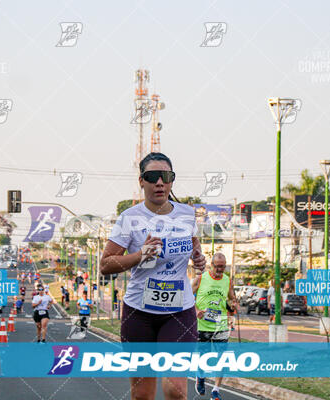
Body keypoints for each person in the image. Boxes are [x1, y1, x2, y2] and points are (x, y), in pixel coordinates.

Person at [100, 152, 206, 400]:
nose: (159, 182)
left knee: (175, 390)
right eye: (152, 177)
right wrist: (140, 255)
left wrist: (198, 257)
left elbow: (193, 243)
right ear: (141, 181)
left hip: (179, 313)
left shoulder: (186, 214)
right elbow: (106, 265)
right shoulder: (130, 218)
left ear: (171, 181)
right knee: (142, 395)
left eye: (165, 176)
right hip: (139, 314)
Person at [192, 253, 238, 400]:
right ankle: (200, 376)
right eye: (217, 266)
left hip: (221, 325)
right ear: (211, 265)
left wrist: (234, 303)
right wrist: (197, 311)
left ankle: (216, 390)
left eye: (223, 267)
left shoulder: (227, 280)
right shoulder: (200, 279)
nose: (220, 269)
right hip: (203, 325)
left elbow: (232, 298)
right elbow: (185, 297)